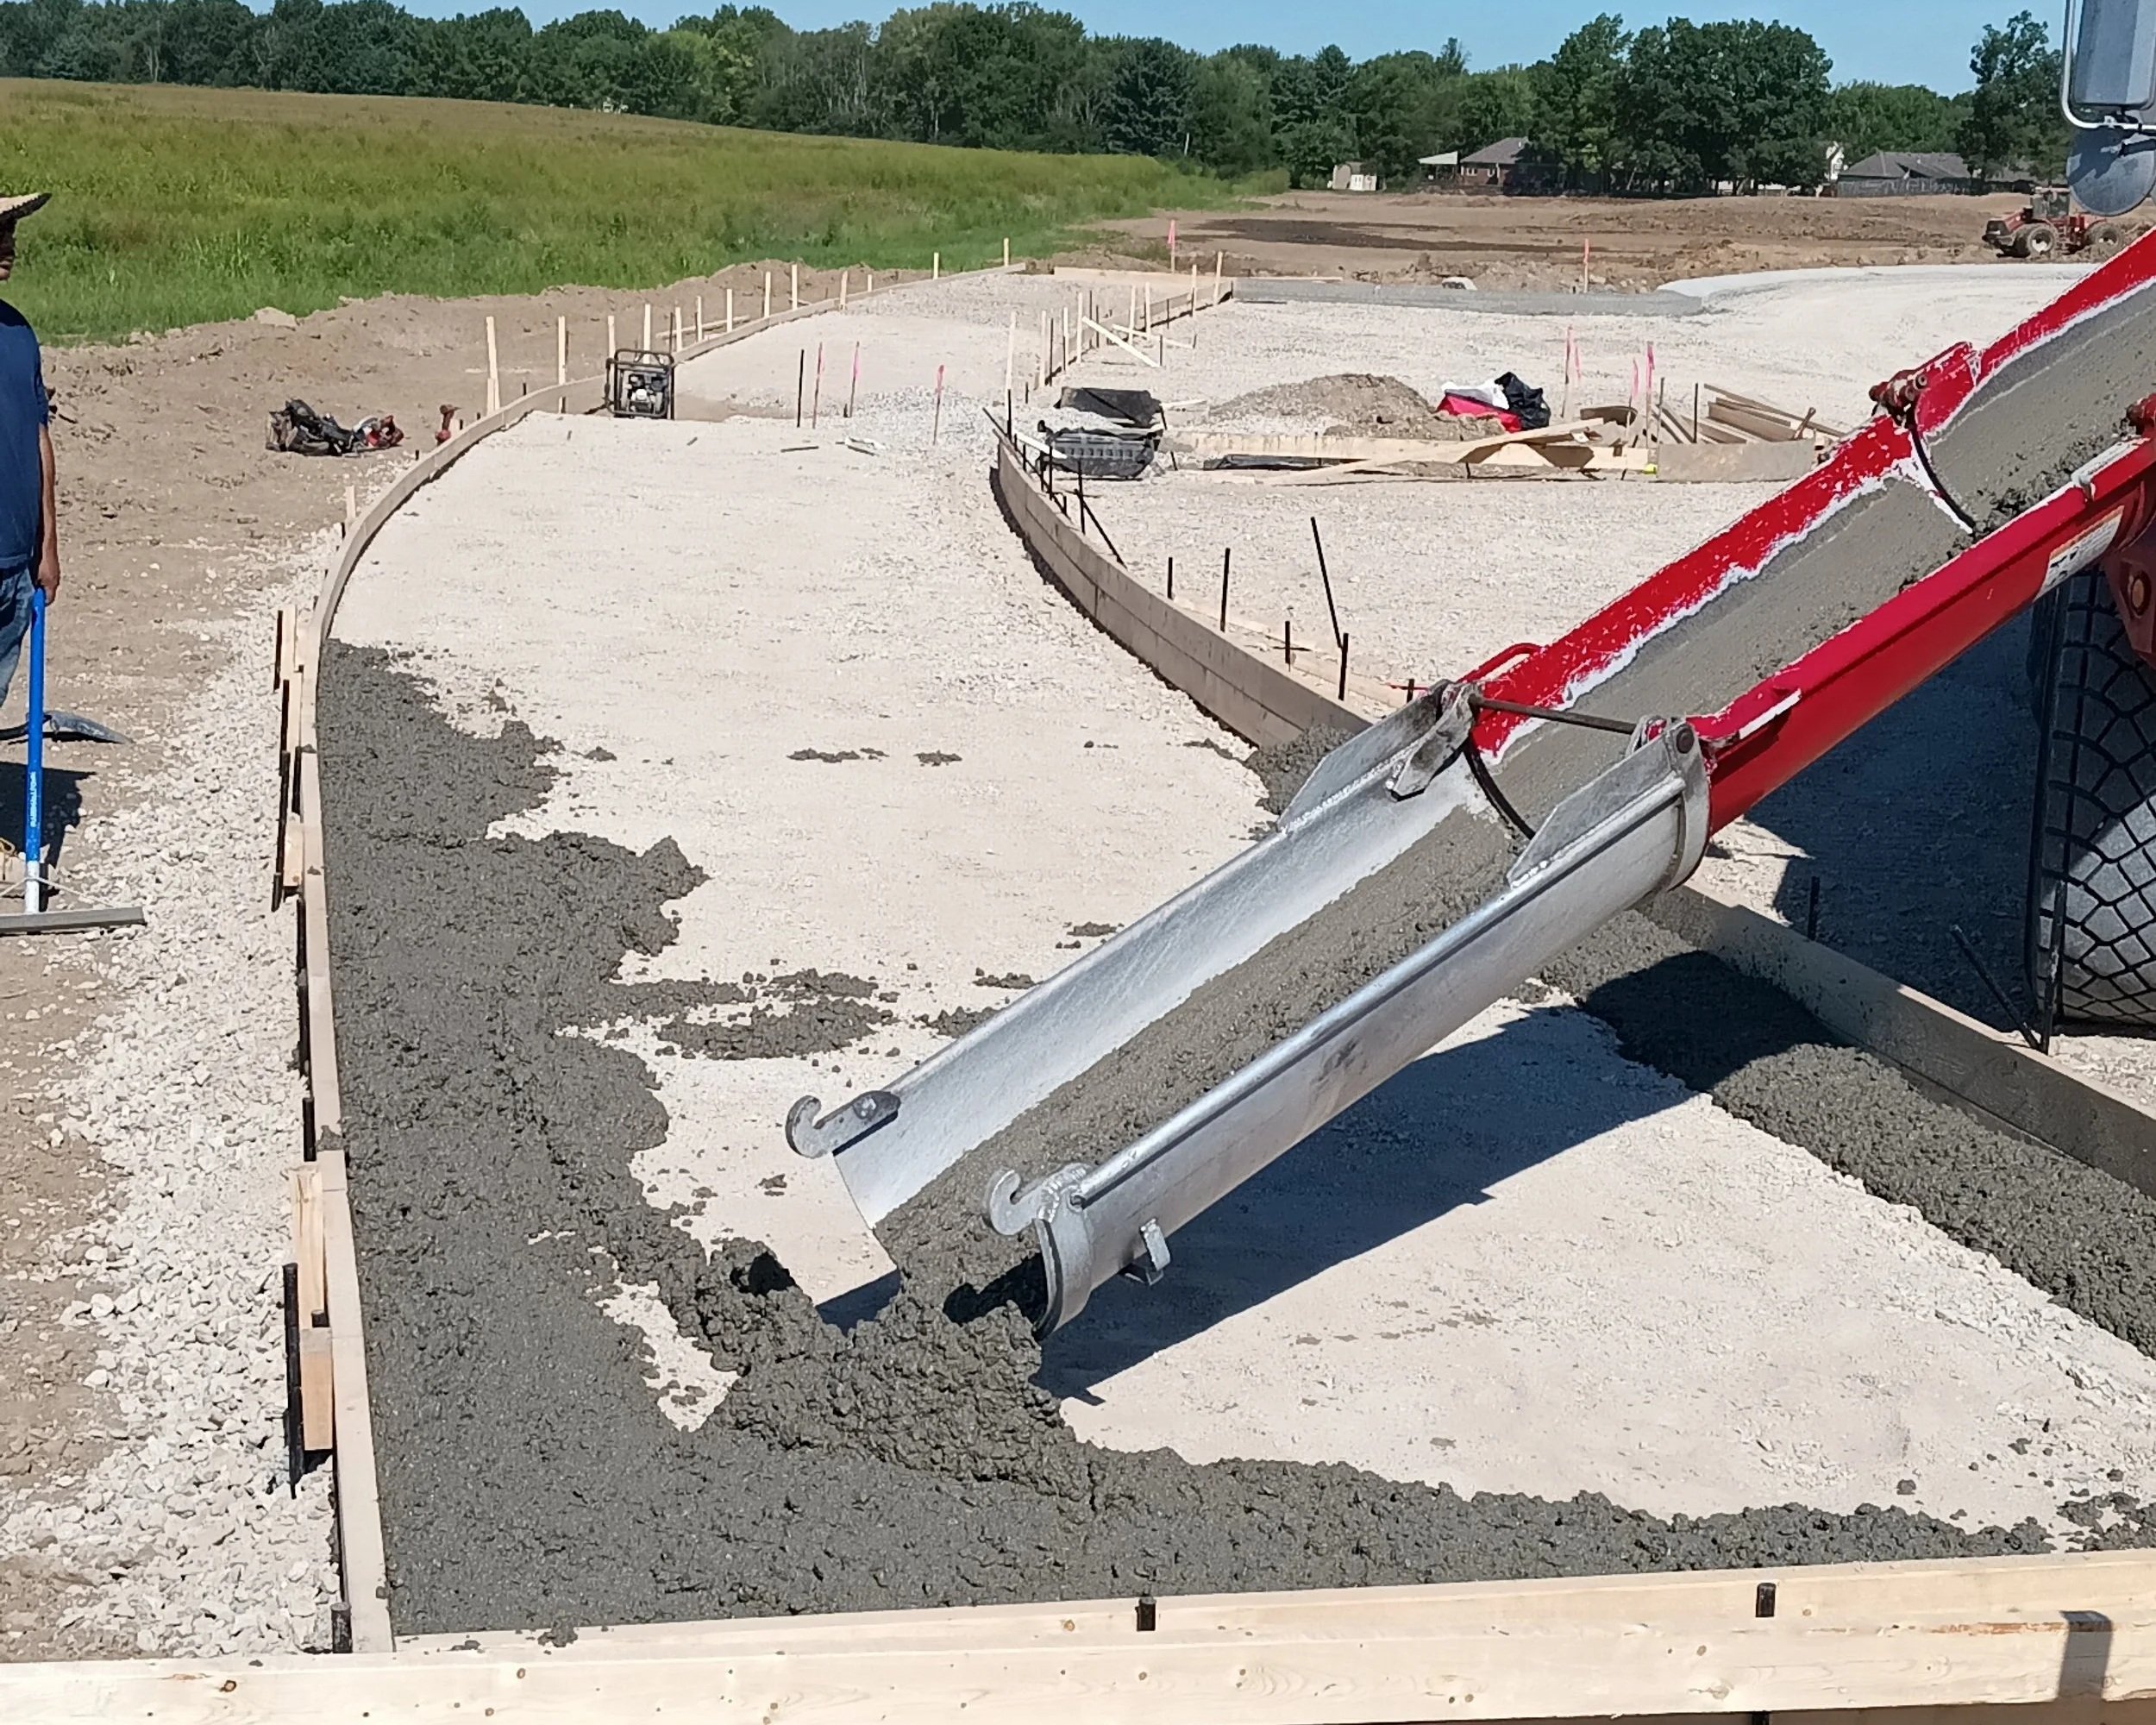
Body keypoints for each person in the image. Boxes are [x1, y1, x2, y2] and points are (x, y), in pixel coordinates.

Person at [0, 191, 58, 710]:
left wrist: (48, 545)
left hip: (14, 561)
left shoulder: (19, 334)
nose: (8, 247)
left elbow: (39, 437)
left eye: (11, 234)